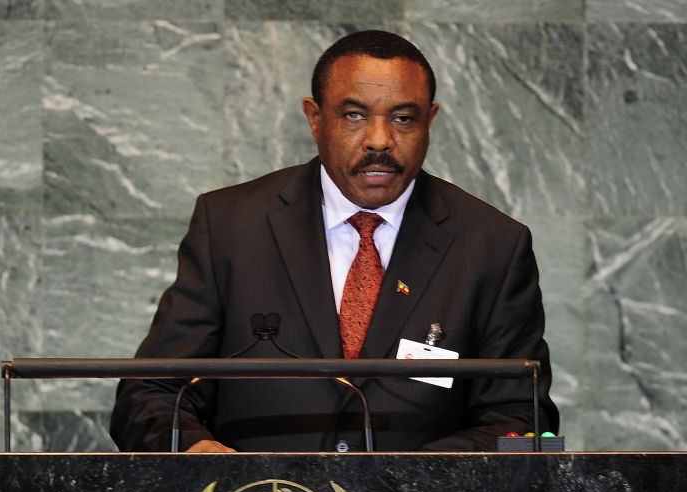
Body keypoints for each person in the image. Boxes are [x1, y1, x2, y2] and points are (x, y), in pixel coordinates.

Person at [111, 30, 558, 453]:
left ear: (430, 120)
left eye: (404, 118)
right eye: (354, 115)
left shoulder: (492, 245)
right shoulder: (232, 225)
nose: (380, 140)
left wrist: (411, 479)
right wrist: (197, 451)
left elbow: (520, 419)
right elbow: (151, 393)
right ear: (315, 118)